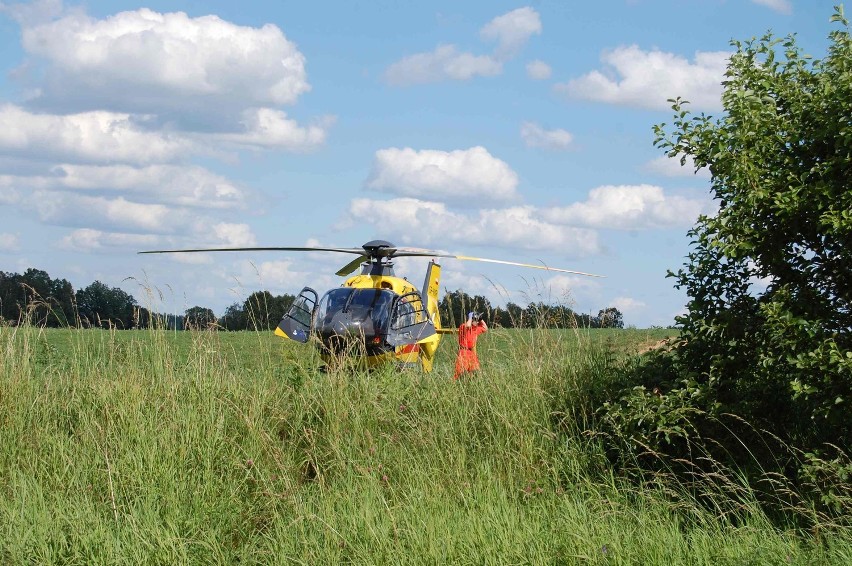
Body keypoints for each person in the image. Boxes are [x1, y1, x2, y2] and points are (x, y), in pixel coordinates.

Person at [453, 311, 488, 380]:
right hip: (463, 351)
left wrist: (481, 319)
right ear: (471, 320)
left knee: (475, 371)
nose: (477, 322)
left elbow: (485, 328)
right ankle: (455, 384)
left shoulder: (476, 329)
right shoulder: (463, 326)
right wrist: (470, 317)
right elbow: (468, 325)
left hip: (471, 352)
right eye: (476, 320)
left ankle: (471, 383)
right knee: (460, 372)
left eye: (478, 320)